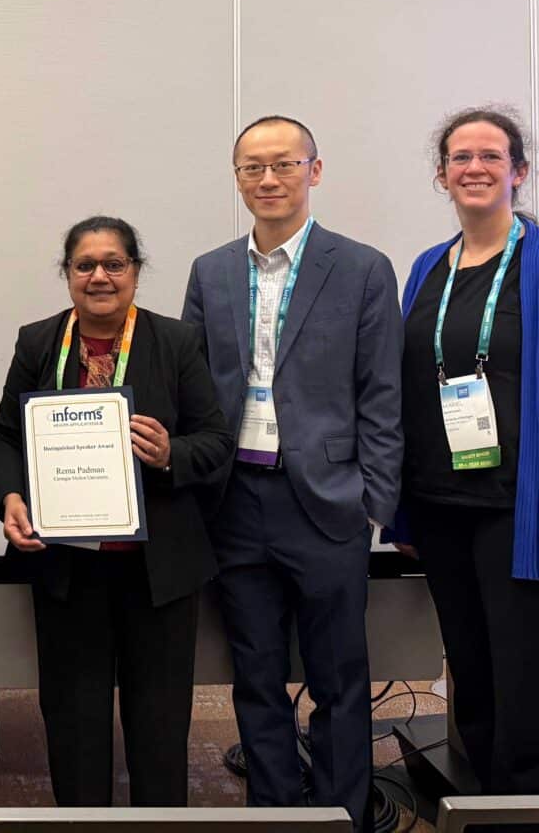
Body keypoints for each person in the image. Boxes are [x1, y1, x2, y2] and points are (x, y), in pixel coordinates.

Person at [182, 116, 402, 831]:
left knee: (340, 679)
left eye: (284, 164)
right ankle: (274, 816)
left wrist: (376, 503)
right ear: (237, 177)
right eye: (252, 167)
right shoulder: (210, 271)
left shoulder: (363, 268)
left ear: (315, 169)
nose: (268, 179)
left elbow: (381, 394)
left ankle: (344, 815)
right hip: (235, 499)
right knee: (256, 677)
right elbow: (191, 388)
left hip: (328, 502)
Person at [0, 216, 233, 807]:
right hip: (68, 567)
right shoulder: (39, 340)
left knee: (160, 722)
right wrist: (11, 496)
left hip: (158, 570)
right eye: (85, 265)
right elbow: (2, 438)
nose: (99, 276)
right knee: (73, 720)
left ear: (136, 272)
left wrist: (172, 451)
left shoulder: (175, 342)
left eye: (114, 264)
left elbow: (217, 441)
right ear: (68, 274)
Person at [397, 107, 539, 795]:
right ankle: (484, 796)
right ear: (441, 175)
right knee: (470, 663)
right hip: (438, 498)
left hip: (516, 501)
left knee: (522, 665)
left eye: (490, 155)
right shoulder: (429, 266)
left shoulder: (537, 259)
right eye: (460, 157)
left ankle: (520, 798)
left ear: (518, 171)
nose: (474, 168)